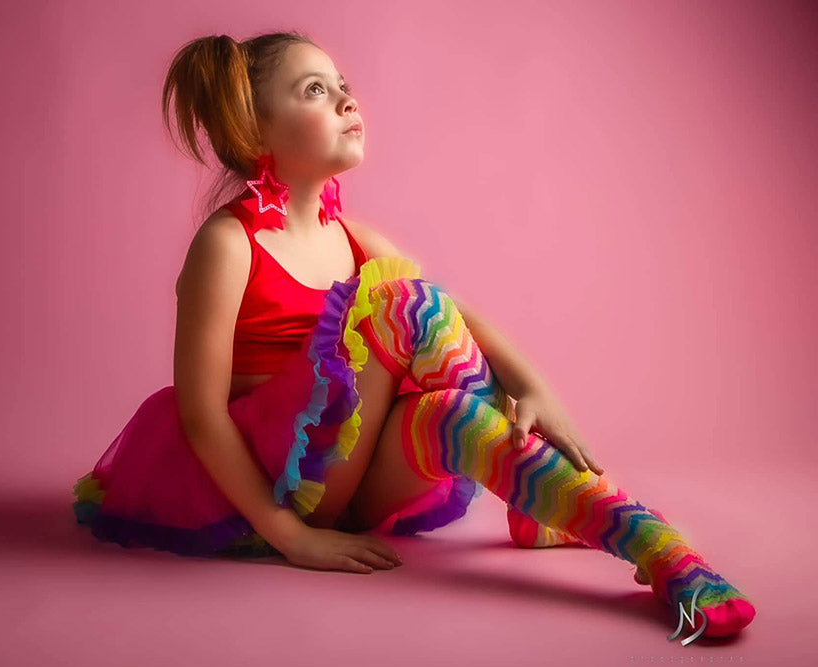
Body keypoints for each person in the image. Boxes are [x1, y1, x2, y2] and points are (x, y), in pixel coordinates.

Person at [72, 30, 755, 638]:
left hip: (358, 478)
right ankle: (543, 497)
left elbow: (463, 322)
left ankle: (658, 548)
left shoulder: (353, 236)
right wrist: (290, 536)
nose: (345, 100)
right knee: (409, 307)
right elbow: (199, 412)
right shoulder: (228, 243)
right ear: (255, 129)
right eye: (316, 90)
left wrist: (534, 389)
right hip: (275, 483)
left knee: (454, 415)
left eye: (344, 86)